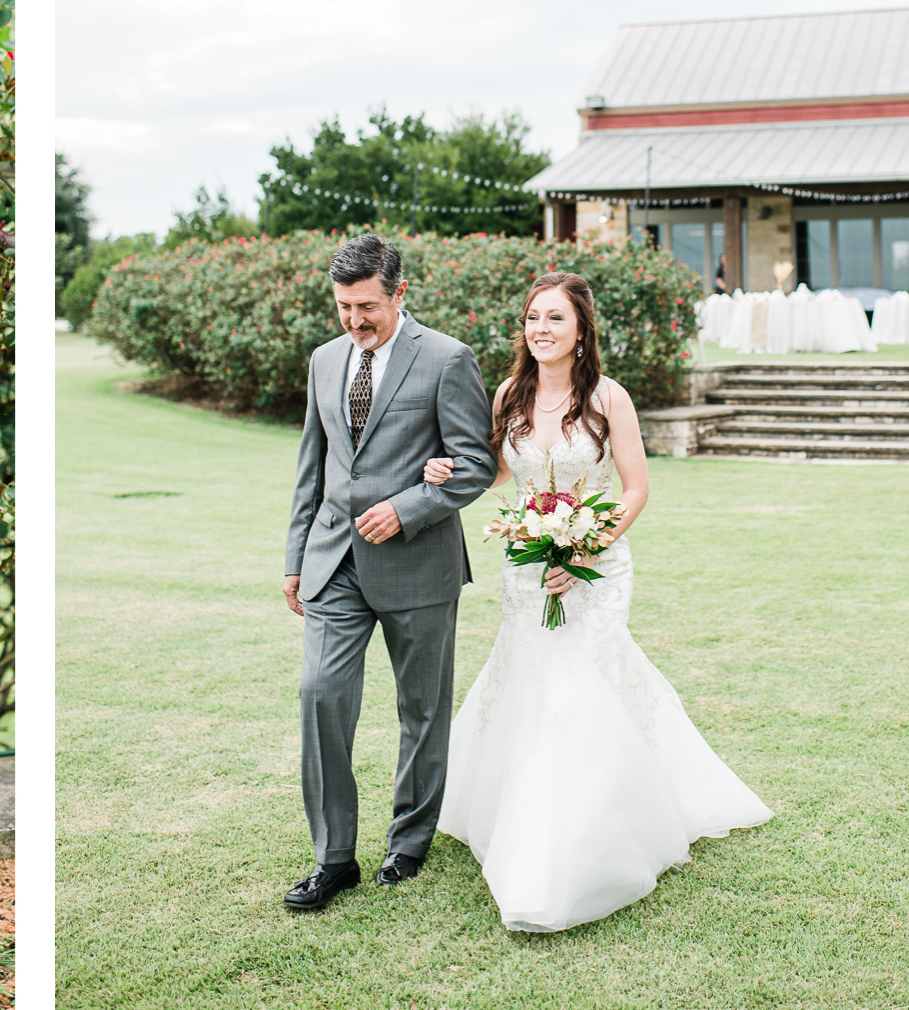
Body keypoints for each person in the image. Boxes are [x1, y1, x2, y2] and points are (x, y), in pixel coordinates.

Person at [421, 271, 772, 932]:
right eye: (531, 317)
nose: (540, 329)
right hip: (526, 566)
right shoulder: (509, 393)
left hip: (597, 563)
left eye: (554, 318)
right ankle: (525, 811)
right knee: (529, 677)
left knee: (578, 684)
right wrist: (445, 466)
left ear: (581, 330)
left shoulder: (608, 396)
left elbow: (635, 487)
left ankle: (575, 844)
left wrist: (585, 548)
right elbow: (500, 471)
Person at [279, 235, 497, 911]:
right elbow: (311, 466)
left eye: (366, 305)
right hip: (333, 561)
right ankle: (332, 857)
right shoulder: (322, 361)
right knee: (320, 694)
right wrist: (294, 559)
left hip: (417, 563)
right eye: (343, 306)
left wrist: (405, 509)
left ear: (400, 293)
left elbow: (475, 463)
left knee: (421, 708)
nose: (354, 319)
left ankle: (408, 840)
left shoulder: (446, 358)